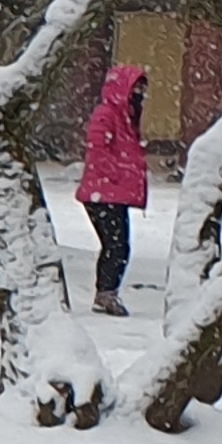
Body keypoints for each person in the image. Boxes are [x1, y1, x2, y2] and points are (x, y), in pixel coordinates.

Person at [77, 61, 151, 317]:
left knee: (117, 246)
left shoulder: (126, 117)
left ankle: (107, 292)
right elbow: (97, 148)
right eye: (136, 89)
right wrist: (116, 175)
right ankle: (105, 294)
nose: (140, 95)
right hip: (104, 193)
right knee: (116, 246)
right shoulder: (108, 114)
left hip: (111, 193)